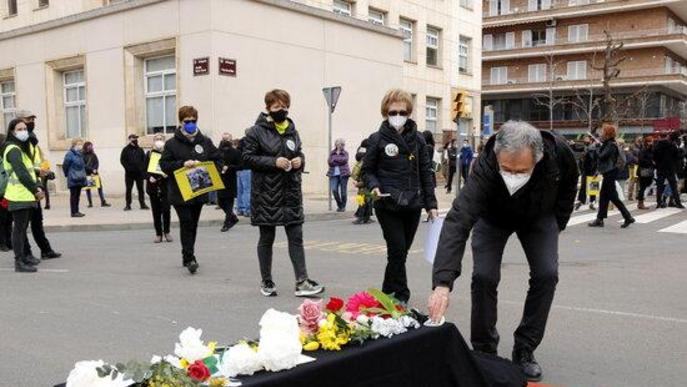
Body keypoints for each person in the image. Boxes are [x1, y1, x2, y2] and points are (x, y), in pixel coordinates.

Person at [428, 120, 579, 382]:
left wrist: (558, 224)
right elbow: (459, 219)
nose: (513, 176)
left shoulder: (559, 154)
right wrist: (442, 283)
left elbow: (568, 187)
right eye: (506, 169)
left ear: (538, 159)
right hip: (493, 218)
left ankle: (525, 348)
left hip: (538, 217)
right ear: (497, 157)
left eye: (521, 171)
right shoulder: (486, 165)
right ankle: (485, 350)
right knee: (484, 277)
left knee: (547, 274)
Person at [243, 89, 324, 297]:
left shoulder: (292, 130)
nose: (282, 110)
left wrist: (300, 160)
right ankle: (267, 281)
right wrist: (273, 162)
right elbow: (247, 158)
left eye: (285, 106)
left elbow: (299, 152)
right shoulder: (256, 131)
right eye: (278, 107)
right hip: (266, 194)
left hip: (291, 193)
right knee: (267, 237)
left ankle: (302, 281)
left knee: (296, 236)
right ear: (268, 108)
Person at [363, 88, 438, 304]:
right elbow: (367, 170)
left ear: (409, 113)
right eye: (393, 112)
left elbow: (426, 172)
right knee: (396, 249)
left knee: (400, 253)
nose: (398, 116)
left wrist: (430, 204)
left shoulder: (419, 140)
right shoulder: (377, 139)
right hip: (387, 203)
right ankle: (402, 295)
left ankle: (387, 293)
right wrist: (374, 186)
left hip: (412, 204)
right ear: (386, 112)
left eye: (402, 112)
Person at [160, 106, 221, 274]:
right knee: (186, 222)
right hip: (180, 192)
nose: (191, 124)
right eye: (187, 121)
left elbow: (217, 159)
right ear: (181, 122)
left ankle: (188, 253)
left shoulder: (205, 141)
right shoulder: (171, 144)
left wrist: (210, 168)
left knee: (193, 224)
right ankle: (189, 258)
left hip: (199, 190)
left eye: (193, 121)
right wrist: (182, 164)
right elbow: (164, 165)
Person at [15, 110, 61, 260]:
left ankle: (45, 250)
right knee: (21, 226)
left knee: (37, 221)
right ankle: (25, 254)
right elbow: (20, 169)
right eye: (28, 119)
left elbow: (36, 163)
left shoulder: (32, 141)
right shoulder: (15, 144)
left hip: (33, 187)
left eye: (32, 119)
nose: (31, 122)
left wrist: (43, 176)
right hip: (21, 190)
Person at [2, 119, 44, 272]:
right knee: (19, 230)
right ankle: (19, 262)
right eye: (19, 129)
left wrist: (38, 185)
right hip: (18, 195)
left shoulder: (20, 149)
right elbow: (21, 173)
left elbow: (30, 172)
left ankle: (24, 257)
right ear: (12, 131)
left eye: (25, 128)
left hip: (25, 195)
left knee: (22, 229)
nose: (23, 131)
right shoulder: (12, 149)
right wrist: (36, 190)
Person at [588, 124, 635, 228]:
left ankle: (627, 217)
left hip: (610, 172)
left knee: (612, 197)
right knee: (604, 196)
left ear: (607, 133)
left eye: (603, 131)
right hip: (609, 172)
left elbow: (602, 156)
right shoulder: (609, 143)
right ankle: (600, 219)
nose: (601, 133)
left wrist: (597, 147)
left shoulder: (610, 144)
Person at [145, 133, 172, 243]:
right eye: (156, 139)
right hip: (153, 186)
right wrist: (149, 177)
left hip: (165, 186)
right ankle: (158, 234)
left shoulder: (168, 154)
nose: (159, 141)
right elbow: (143, 170)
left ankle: (167, 232)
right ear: (153, 141)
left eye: (161, 139)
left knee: (166, 210)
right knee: (156, 212)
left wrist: (168, 173)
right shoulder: (149, 154)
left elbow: (172, 167)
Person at [652, 132, 684, 209]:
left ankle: (659, 202)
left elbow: (654, 158)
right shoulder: (672, 145)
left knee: (659, 186)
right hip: (670, 168)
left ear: (660, 136)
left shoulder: (656, 146)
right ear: (666, 136)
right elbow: (678, 156)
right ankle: (678, 203)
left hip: (660, 169)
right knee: (674, 187)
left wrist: (657, 165)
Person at [218, 132, 241, 232]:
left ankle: (227, 223)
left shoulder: (235, 152)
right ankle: (233, 217)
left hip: (230, 180)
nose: (224, 141)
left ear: (230, 140)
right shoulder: (218, 152)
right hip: (220, 180)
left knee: (229, 203)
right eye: (223, 139)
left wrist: (229, 167)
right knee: (221, 202)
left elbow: (241, 166)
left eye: (226, 139)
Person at [120, 134, 148, 211]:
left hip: (139, 173)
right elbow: (122, 160)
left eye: (136, 138)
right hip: (129, 174)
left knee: (141, 189)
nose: (135, 140)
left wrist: (142, 168)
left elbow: (144, 160)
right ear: (130, 139)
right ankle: (128, 205)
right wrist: (128, 168)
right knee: (129, 189)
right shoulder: (125, 150)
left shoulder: (140, 149)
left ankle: (142, 204)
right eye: (134, 138)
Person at [62, 138, 88, 218]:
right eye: (79, 144)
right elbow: (65, 165)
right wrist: (67, 174)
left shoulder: (81, 154)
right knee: (73, 195)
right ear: (74, 144)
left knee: (78, 195)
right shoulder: (70, 154)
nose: (80, 146)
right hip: (73, 177)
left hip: (80, 177)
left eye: (81, 144)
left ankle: (77, 211)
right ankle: (73, 212)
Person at [82, 141, 111, 208]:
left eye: (91, 146)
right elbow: (84, 165)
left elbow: (96, 162)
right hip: (88, 174)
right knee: (88, 188)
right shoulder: (82, 155)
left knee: (99, 187)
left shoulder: (93, 154)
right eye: (89, 146)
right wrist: (92, 169)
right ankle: (90, 203)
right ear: (86, 146)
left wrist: (95, 169)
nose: (91, 147)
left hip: (95, 173)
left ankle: (103, 202)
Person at [352, 139, 374, 225]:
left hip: (365, 182)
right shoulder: (371, 155)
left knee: (362, 200)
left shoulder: (366, 158)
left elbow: (364, 173)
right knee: (368, 200)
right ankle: (366, 218)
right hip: (369, 182)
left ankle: (361, 218)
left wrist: (359, 183)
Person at [574, 135, 598, 211]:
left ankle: (592, 202)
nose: (585, 140)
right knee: (583, 187)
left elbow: (598, 160)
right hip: (585, 170)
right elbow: (578, 149)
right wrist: (573, 145)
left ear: (591, 140)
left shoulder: (594, 148)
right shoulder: (585, 147)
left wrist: (597, 171)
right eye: (584, 139)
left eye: (586, 139)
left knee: (593, 188)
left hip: (593, 170)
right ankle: (580, 201)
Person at [327, 138, 350, 212]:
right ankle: (340, 205)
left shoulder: (345, 153)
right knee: (334, 190)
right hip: (333, 174)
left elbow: (344, 160)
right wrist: (338, 160)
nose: (340, 146)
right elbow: (330, 162)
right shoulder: (332, 152)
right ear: (336, 145)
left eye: (342, 144)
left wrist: (335, 160)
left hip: (344, 174)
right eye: (339, 144)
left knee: (343, 192)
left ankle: (343, 207)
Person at [235, 135, 252, 217]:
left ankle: (240, 209)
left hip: (239, 170)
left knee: (240, 190)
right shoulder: (248, 148)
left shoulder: (238, 150)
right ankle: (247, 210)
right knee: (247, 190)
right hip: (246, 169)